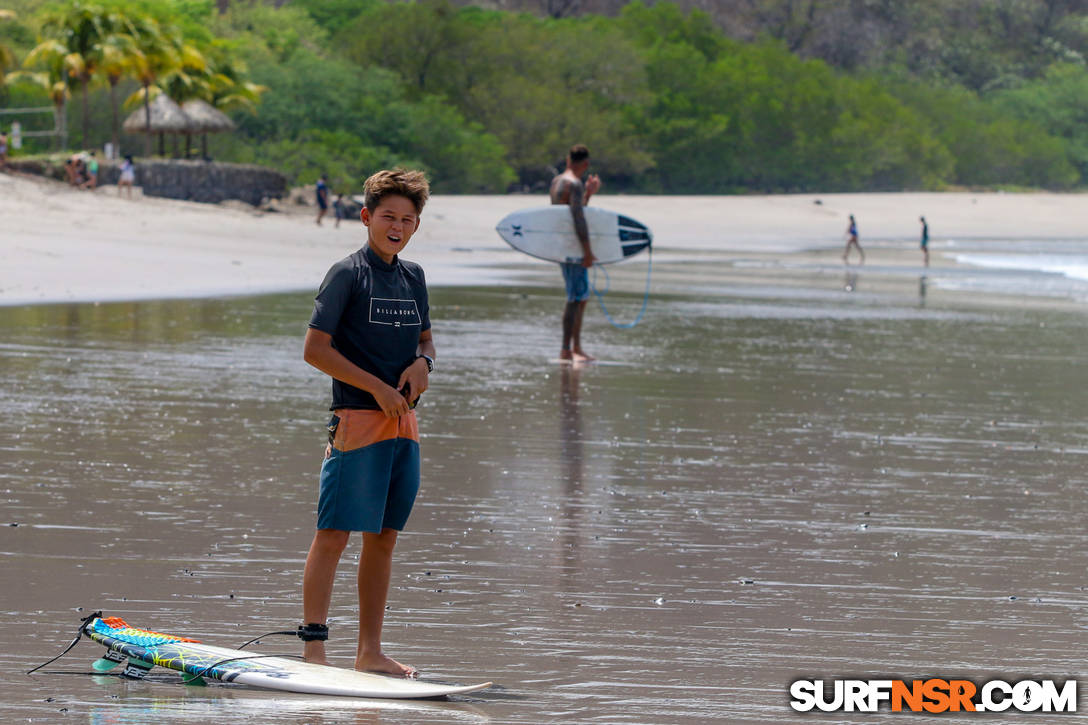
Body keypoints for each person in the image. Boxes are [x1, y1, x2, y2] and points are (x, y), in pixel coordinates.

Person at [301, 168, 435, 678]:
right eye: (387, 217)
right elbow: (315, 349)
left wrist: (425, 364)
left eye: (407, 219)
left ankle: (369, 652)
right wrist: (376, 387)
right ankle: (314, 650)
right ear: (366, 217)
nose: (396, 226)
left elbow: (425, 339)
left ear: (416, 225)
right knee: (333, 533)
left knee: (383, 538)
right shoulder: (346, 274)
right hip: (356, 422)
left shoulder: (413, 277)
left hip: (403, 427)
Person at [549, 144, 601, 362]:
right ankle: (567, 349)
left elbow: (567, 215)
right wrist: (587, 252)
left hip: (561, 247)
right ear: (586, 164)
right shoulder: (574, 184)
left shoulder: (557, 182)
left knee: (579, 297)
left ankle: (574, 347)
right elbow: (579, 220)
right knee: (575, 297)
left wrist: (589, 194)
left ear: (568, 159)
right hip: (574, 248)